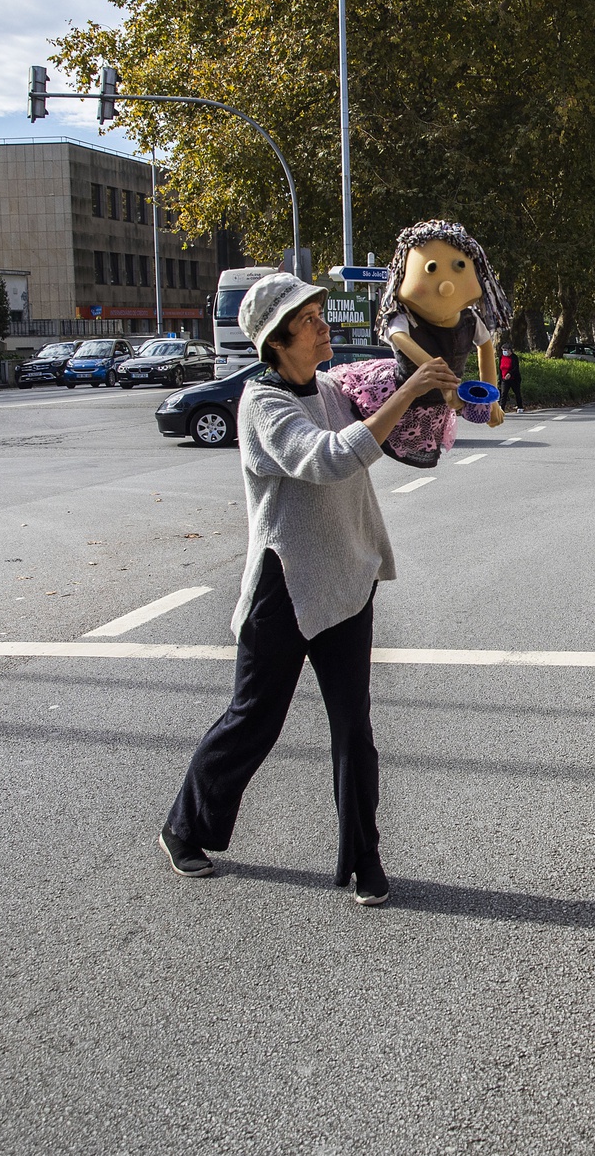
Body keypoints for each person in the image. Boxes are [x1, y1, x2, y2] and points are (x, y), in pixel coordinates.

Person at [158, 272, 457, 904]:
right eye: (312, 319)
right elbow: (327, 457)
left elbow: (394, 410)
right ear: (278, 337)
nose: (324, 326)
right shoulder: (262, 405)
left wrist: (438, 382)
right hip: (285, 583)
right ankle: (186, 828)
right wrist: (406, 397)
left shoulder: (329, 384)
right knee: (254, 719)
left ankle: (364, 861)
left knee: (354, 726)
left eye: (322, 313)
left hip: (347, 575)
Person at [497, 345, 523, 411]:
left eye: (505, 350)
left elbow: (516, 368)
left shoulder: (514, 357)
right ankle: (502, 407)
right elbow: (500, 369)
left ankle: (520, 407)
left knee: (517, 392)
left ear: (509, 350)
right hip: (504, 379)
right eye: (503, 350)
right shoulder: (501, 357)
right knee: (503, 393)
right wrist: (500, 379)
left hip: (514, 379)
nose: (504, 352)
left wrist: (510, 374)